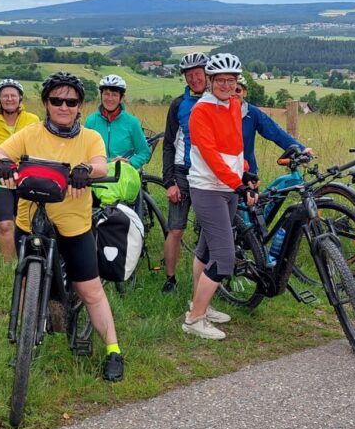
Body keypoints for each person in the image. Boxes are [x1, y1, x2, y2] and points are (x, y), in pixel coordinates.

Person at [0, 72, 125, 381]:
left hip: (73, 222)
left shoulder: (90, 137)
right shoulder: (30, 133)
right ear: (46, 103)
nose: (64, 106)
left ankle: (113, 350)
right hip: (29, 220)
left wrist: (86, 169)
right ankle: (25, 345)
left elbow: (101, 164)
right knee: (23, 285)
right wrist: (3, 163)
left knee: (90, 290)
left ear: (79, 106)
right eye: (56, 100)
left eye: (71, 101)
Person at [182, 53, 255, 339]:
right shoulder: (200, 111)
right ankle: (194, 320)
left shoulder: (234, 105)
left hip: (229, 186)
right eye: (220, 80)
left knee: (206, 251)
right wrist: (237, 183)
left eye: (232, 80)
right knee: (224, 259)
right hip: (208, 189)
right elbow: (210, 155)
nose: (227, 85)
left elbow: (235, 146)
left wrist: (245, 171)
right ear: (210, 81)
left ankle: (199, 303)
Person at [159, 52, 209, 293]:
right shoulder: (179, 104)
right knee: (176, 229)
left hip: (208, 173)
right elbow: (168, 143)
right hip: (182, 171)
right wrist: (169, 182)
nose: (194, 79)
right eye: (189, 75)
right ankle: (170, 280)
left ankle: (205, 283)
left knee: (208, 230)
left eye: (198, 74)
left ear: (207, 74)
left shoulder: (215, 100)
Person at [0, 78, 40, 261]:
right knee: (5, 224)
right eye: (5, 96)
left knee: (27, 224)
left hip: (26, 179)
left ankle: (27, 260)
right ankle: (9, 266)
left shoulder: (33, 120)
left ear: (20, 98)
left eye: (13, 95)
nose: (9, 99)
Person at [236, 74, 311, 176]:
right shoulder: (217, 113)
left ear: (244, 93)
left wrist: (301, 149)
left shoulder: (252, 113)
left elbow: (274, 131)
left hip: (248, 173)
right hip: (221, 174)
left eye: (237, 90)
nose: (233, 94)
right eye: (230, 90)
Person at [84, 74, 151, 170]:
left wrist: (130, 162)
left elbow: (144, 152)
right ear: (101, 95)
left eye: (114, 95)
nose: (110, 98)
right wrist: (108, 162)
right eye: (106, 94)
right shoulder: (91, 121)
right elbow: (84, 151)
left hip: (123, 173)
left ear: (121, 98)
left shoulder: (132, 122)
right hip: (98, 172)